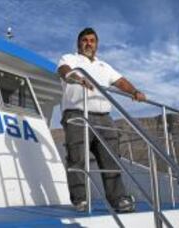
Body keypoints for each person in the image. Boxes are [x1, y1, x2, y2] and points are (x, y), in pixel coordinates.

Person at [58, 27, 146, 213]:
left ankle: (118, 199)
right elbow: (63, 70)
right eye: (85, 40)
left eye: (92, 40)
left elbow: (120, 81)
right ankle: (80, 200)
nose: (88, 43)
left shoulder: (104, 66)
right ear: (78, 43)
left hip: (104, 117)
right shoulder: (70, 59)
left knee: (111, 159)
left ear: (96, 44)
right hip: (77, 114)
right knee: (77, 158)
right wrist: (77, 77)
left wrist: (134, 92)